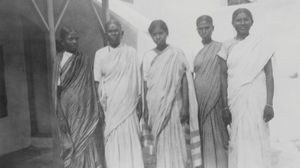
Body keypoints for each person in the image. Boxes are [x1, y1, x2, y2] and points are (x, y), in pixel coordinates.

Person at [218, 8, 275, 168]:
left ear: (252, 22)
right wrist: (224, 106)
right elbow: (223, 77)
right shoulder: (226, 46)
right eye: (238, 20)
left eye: (246, 19)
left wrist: (269, 104)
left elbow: (269, 75)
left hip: (258, 99)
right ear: (232, 23)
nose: (242, 23)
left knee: (258, 134)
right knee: (238, 136)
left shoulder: (261, 45)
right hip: (236, 100)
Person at [143, 19, 201, 168]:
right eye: (154, 34)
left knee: (176, 139)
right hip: (155, 106)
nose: (158, 37)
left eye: (160, 33)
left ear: (167, 33)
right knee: (161, 141)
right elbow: (145, 83)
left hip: (174, 104)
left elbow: (184, 81)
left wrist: (185, 107)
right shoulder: (148, 56)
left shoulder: (176, 54)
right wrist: (146, 108)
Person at [93, 20, 144, 168]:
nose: (113, 33)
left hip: (129, 105)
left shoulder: (131, 52)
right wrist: (99, 106)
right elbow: (97, 81)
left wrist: (139, 103)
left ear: (122, 33)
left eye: (116, 31)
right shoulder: (100, 54)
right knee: (112, 137)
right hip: (111, 105)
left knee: (131, 138)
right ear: (106, 34)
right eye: (110, 31)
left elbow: (138, 79)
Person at [54, 26, 104, 168]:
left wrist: (95, 106)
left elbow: (91, 84)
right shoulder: (59, 60)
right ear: (63, 41)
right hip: (69, 110)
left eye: (76, 39)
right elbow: (56, 90)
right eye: (71, 39)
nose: (75, 42)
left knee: (88, 139)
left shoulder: (85, 59)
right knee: (73, 143)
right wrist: (60, 115)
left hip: (86, 108)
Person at [194, 15, 229, 168]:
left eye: (207, 28)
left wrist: (225, 102)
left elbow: (225, 74)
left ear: (213, 28)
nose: (204, 31)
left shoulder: (221, 47)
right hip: (200, 100)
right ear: (197, 30)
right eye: (200, 29)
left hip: (217, 99)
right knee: (205, 137)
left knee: (219, 136)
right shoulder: (197, 52)